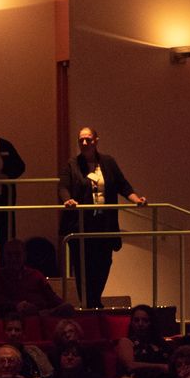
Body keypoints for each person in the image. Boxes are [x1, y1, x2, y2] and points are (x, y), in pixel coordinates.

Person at [59, 127, 146, 308]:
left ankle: (94, 300)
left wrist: (136, 200)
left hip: (104, 223)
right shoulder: (72, 164)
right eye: (81, 140)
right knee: (83, 265)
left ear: (96, 141)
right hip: (81, 224)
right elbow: (63, 187)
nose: (84, 143)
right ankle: (89, 303)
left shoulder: (108, 162)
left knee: (104, 262)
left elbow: (123, 185)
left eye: (88, 139)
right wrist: (68, 200)